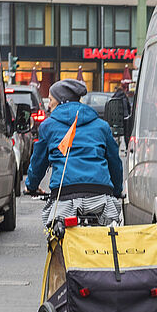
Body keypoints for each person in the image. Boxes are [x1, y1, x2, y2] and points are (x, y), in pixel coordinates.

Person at [25, 78, 125, 225]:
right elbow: (114, 162)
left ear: (61, 101)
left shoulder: (48, 126)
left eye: (51, 100)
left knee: (57, 231)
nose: (49, 105)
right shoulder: (101, 126)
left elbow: (38, 163)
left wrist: (31, 186)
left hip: (64, 194)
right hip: (100, 195)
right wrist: (117, 190)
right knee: (109, 232)